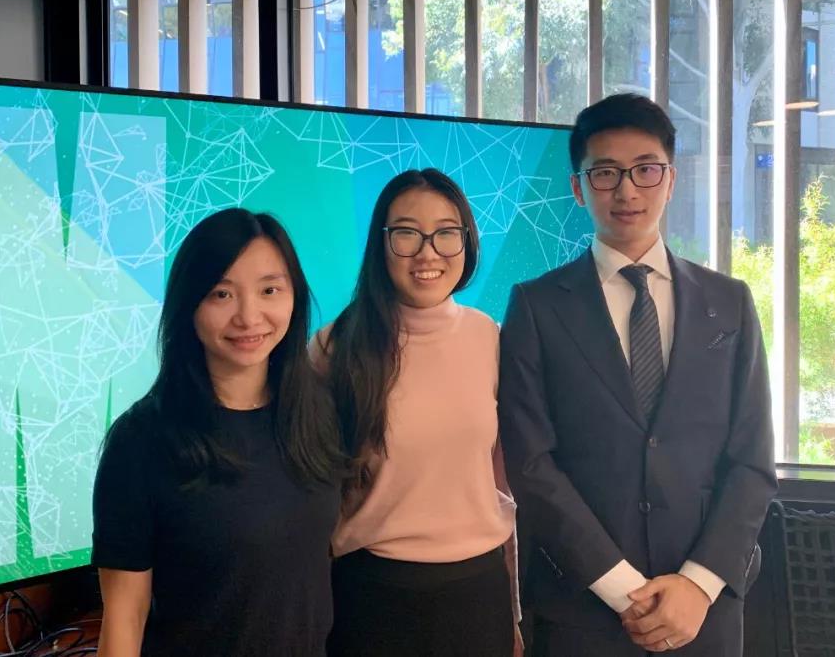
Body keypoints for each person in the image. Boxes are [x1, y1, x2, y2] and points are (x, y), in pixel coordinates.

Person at [498, 94, 777, 655]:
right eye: (605, 173)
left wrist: (697, 585)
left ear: (670, 180)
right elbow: (531, 462)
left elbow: (752, 460)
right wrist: (623, 589)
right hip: (582, 606)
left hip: (703, 610)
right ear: (578, 188)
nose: (627, 191)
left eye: (646, 170)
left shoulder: (730, 302)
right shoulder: (536, 305)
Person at [92, 208, 344, 657]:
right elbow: (126, 615)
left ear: (294, 297)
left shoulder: (317, 411)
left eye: (269, 290)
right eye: (221, 294)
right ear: (189, 305)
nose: (249, 316)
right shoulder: (141, 441)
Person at [316, 168, 517, 657]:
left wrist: (514, 613)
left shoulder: (489, 338)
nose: (428, 253)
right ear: (381, 243)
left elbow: (503, 485)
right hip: (371, 596)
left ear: (467, 240)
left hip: (478, 593)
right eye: (406, 233)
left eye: (446, 233)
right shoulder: (335, 347)